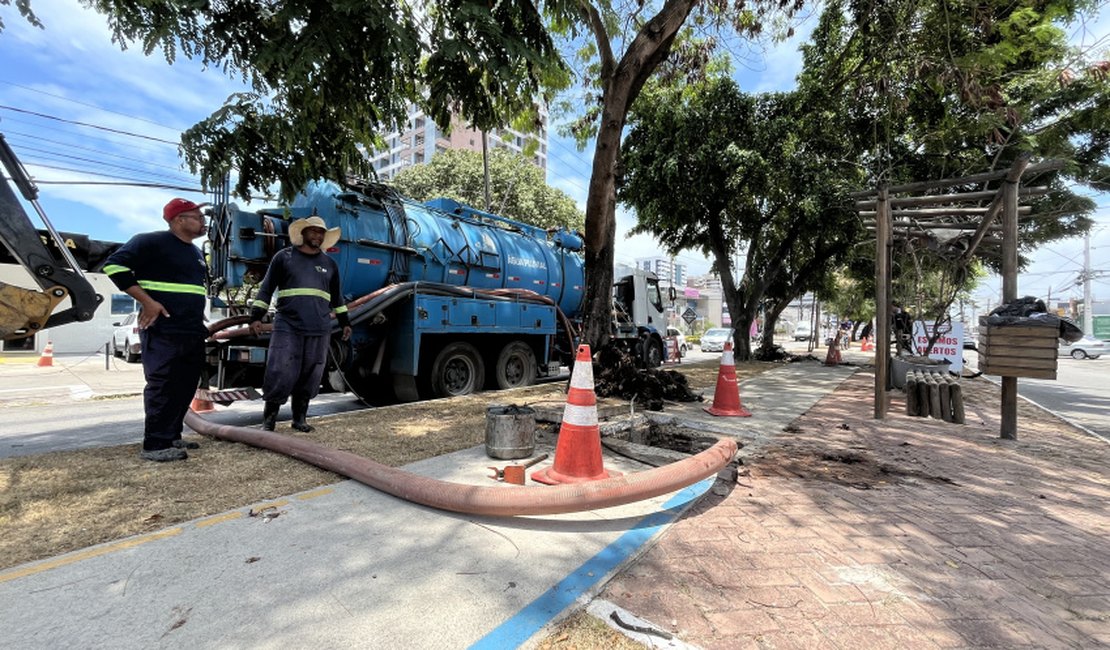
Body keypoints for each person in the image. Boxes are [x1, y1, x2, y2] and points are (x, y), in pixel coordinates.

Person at [103, 198, 210, 462]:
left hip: (191, 329)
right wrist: (147, 302)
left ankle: (171, 435)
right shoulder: (150, 242)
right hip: (164, 328)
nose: (202, 221)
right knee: (163, 384)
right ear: (178, 220)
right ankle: (155, 444)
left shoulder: (196, 253)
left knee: (185, 384)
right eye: (196, 216)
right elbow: (114, 266)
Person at [249, 216, 352, 432]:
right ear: (303, 234)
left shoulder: (329, 264)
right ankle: (269, 421)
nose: (317, 236)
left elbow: (337, 299)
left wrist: (345, 323)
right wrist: (256, 316)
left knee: (311, 373)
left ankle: (300, 419)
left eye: (321, 232)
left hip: (320, 328)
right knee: (281, 371)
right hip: (288, 326)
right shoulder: (283, 257)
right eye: (313, 231)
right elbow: (266, 288)